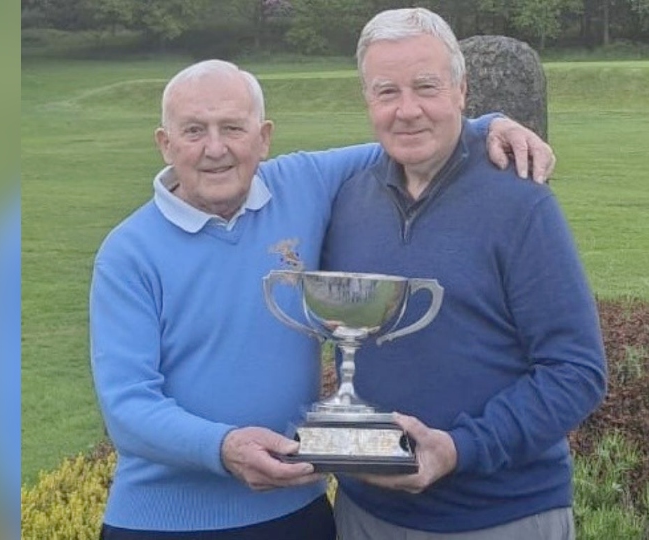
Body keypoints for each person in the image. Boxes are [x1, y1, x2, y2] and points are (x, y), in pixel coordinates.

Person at [89, 58, 555, 540]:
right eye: (193, 131)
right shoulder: (129, 252)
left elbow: (407, 138)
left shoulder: (303, 182)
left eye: (232, 127)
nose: (215, 148)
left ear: (264, 137)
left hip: (298, 513)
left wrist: (488, 125)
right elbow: (127, 406)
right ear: (165, 144)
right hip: (164, 524)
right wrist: (223, 447)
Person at [321, 8, 607, 540]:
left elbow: (577, 371)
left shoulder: (521, 202)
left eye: (426, 87)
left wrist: (458, 450)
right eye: (387, 92)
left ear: (461, 91)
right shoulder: (344, 197)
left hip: (501, 517)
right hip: (365, 516)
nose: (407, 110)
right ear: (367, 100)